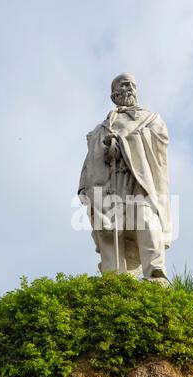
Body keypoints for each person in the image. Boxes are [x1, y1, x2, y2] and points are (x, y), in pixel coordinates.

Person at [78, 73, 172, 284]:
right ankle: (113, 276)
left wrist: (124, 143)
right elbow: (90, 158)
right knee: (107, 227)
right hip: (108, 180)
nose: (130, 87)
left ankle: (155, 273)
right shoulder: (100, 127)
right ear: (114, 94)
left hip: (138, 178)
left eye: (133, 85)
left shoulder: (151, 118)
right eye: (124, 84)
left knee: (146, 220)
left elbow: (161, 140)